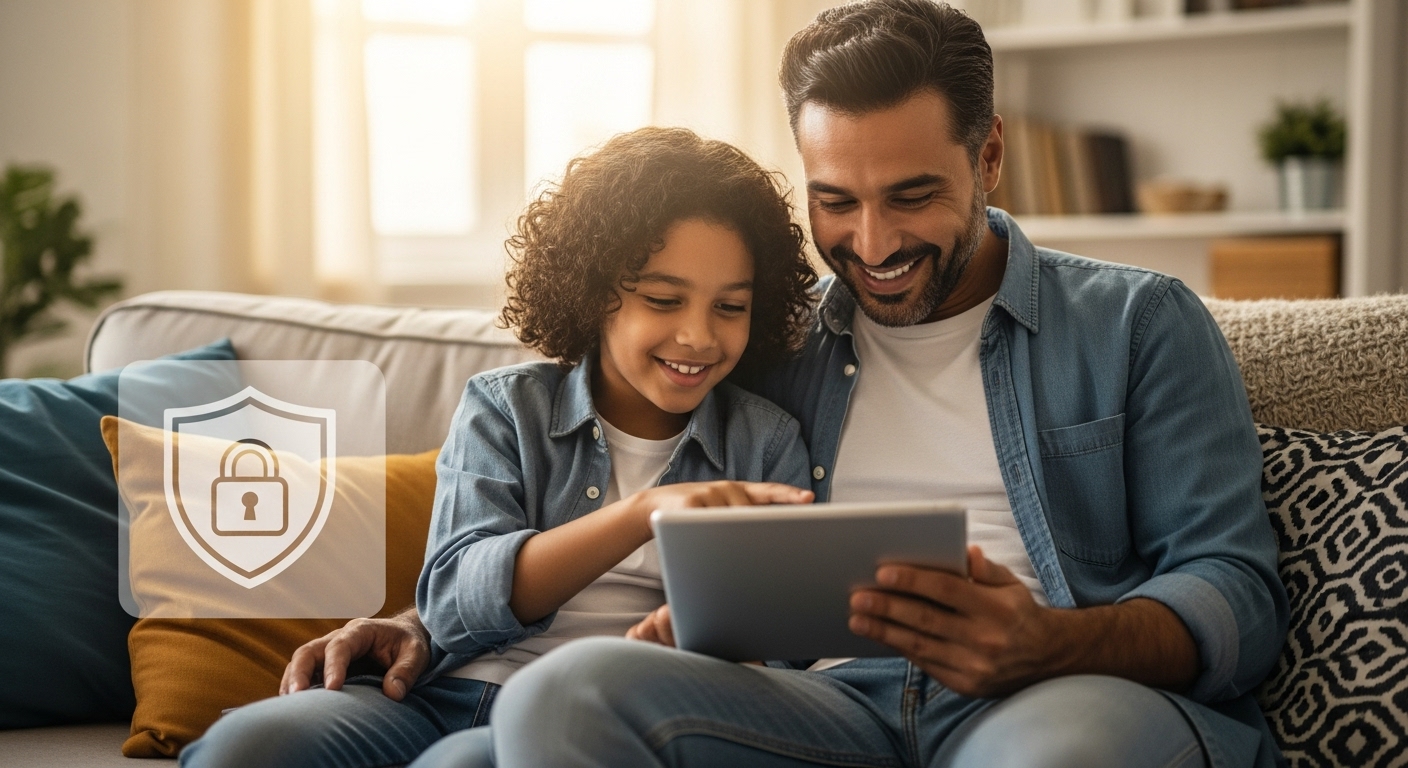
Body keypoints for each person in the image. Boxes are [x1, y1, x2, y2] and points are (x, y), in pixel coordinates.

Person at [269, 2, 1290, 766]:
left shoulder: (1136, 323)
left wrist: (1047, 642)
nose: (873, 244)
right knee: (563, 699)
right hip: (821, 700)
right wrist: (422, 622)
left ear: (988, 156)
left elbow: (1236, 594)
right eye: (835, 201)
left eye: (913, 196)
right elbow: (626, 456)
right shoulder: (774, 331)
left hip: (1060, 694)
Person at [178, 126, 821, 768]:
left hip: (590, 719)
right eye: (662, 299)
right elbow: (453, 605)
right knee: (248, 747)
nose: (698, 335)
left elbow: (785, 655)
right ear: (597, 293)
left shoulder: (765, 442)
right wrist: (638, 516)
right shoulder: (507, 408)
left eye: (730, 307)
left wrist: (718, 652)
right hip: (435, 691)